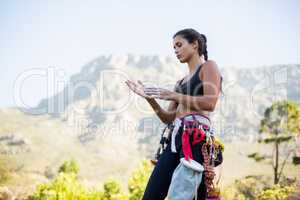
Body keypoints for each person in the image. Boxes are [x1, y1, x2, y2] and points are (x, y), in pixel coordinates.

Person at [125, 28, 223, 200]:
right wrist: (150, 99)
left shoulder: (208, 67)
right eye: (174, 48)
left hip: (196, 139)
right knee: (151, 195)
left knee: (191, 195)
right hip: (174, 140)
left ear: (194, 44)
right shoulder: (180, 83)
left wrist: (173, 95)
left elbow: (210, 102)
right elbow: (168, 118)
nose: (176, 50)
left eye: (179, 45)